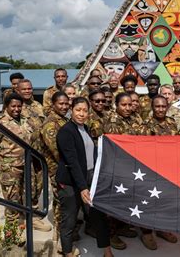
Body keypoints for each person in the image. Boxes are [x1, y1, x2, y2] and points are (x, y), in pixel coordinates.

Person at [56, 97, 113, 257]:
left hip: (89, 177)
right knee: (69, 219)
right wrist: (82, 187)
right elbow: (72, 162)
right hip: (70, 183)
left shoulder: (86, 129)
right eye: (78, 110)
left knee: (99, 215)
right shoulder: (66, 132)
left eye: (85, 110)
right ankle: (67, 252)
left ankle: (107, 252)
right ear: (71, 110)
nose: (81, 114)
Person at [0, 93, 33, 236]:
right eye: (13, 106)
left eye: (19, 106)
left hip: (24, 165)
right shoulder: (1, 122)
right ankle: (11, 236)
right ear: (6, 106)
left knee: (22, 197)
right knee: (12, 201)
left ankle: (20, 228)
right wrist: (1, 153)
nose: (17, 109)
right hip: (10, 168)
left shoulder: (23, 120)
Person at [138, 95, 179, 250]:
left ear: (167, 106)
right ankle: (147, 232)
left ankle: (162, 228)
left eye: (163, 106)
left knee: (165, 202)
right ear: (152, 107)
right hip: (150, 171)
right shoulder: (145, 126)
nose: (160, 109)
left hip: (168, 170)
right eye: (157, 106)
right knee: (149, 202)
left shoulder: (172, 123)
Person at [103, 93, 143, 249]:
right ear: (116, 105)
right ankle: (111, 234)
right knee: (115, 202)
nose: (127, 108)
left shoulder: (134, 119)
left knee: (127, 200)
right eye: (123, 105)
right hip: (117, 169)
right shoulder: (112, 121)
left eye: (129, 105)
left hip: (132, 169)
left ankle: (122, 227)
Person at [31, 92, 70, 243]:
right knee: (62, 201)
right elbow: (56, 151)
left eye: (66, 103)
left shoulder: (64, 120)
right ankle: (60, 237)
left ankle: (64, 233)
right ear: (53, 105)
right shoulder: (50, 124)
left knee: (65, 200)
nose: (64, 106)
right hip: (58, 168)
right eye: (61, 104)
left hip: (65, 166)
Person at [16, 79, 51, 232]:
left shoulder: (37, 106)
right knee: (24, 186)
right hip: (22, 154)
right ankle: (27, 217)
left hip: (39, 153)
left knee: (39, 184)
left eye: (30, 88)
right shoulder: (15, 106)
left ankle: (32, 211)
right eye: (24, 89)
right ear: (18, 90)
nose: (28, 91)